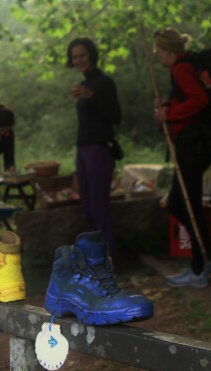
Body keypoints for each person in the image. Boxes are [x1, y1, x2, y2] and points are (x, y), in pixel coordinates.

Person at [153, 27, 211, 288]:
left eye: (158, 50)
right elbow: (192, 101)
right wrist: (169, 109)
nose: (157, 55)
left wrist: (168, 115)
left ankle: (198, 272)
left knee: (184, 205)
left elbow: (200, 99)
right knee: (180, 204)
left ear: (168, 50)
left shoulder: (180, 69)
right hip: (193, 146)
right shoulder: (186, 67)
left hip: (191, 146)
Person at [66, 37, 121, 263]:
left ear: (92, 55)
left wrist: (93, 97)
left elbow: (116, 117)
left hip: (99, 149)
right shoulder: (85, 84)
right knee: (87, 206)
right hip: (83, 149)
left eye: (82, 55)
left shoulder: (104, 82)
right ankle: (96, 258)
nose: (78, 60)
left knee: (99, 205)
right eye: (75, 57)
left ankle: (109, 259)